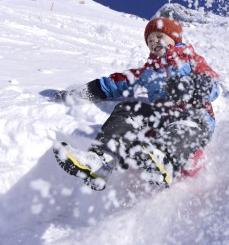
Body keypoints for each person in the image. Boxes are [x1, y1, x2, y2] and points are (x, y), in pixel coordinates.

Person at [53, 17, 219, 191]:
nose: (154, 41)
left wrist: (191, 87)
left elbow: (214, 86)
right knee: (128, 109)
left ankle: (166, 160)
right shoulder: (148, 72)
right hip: (162, 121)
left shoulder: (190, 58)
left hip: (194, 122)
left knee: (187, 122)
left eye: (159, 36)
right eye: (150, 40)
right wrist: (79, 93)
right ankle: (101, 160)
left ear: (174, 38)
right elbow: (116, 84)